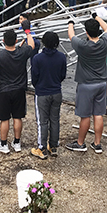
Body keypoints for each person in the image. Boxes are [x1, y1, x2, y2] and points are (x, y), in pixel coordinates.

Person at [66, 16, 107, 153]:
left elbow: (71, 35)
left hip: (86, 84)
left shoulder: (82, 46)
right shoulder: (105, 42)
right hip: (101, 83)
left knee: (85, 116)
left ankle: (80, 144)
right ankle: (97, 144)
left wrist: (70, 22)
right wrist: (97, 17)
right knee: (98, 114)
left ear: (86, 32)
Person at [0, 24, 35, 154]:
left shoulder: (0, 56)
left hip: (4, 90)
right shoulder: (22, 52)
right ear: (16, 41)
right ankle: (16, 142)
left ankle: (3, 144)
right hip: (19, 89)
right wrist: (27, 31)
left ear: (3, 41)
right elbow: (31, 45)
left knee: (4, 118)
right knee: (17, 117)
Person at [30, 31, 66, 159]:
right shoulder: (62, 57)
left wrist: (38, 86)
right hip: (56, 91)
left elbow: (34, 77)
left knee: (42, 121)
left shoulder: (37, 58)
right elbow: (63, 75)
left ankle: (42, 148)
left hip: (42, 92)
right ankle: (54, 146)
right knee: (55, 119)